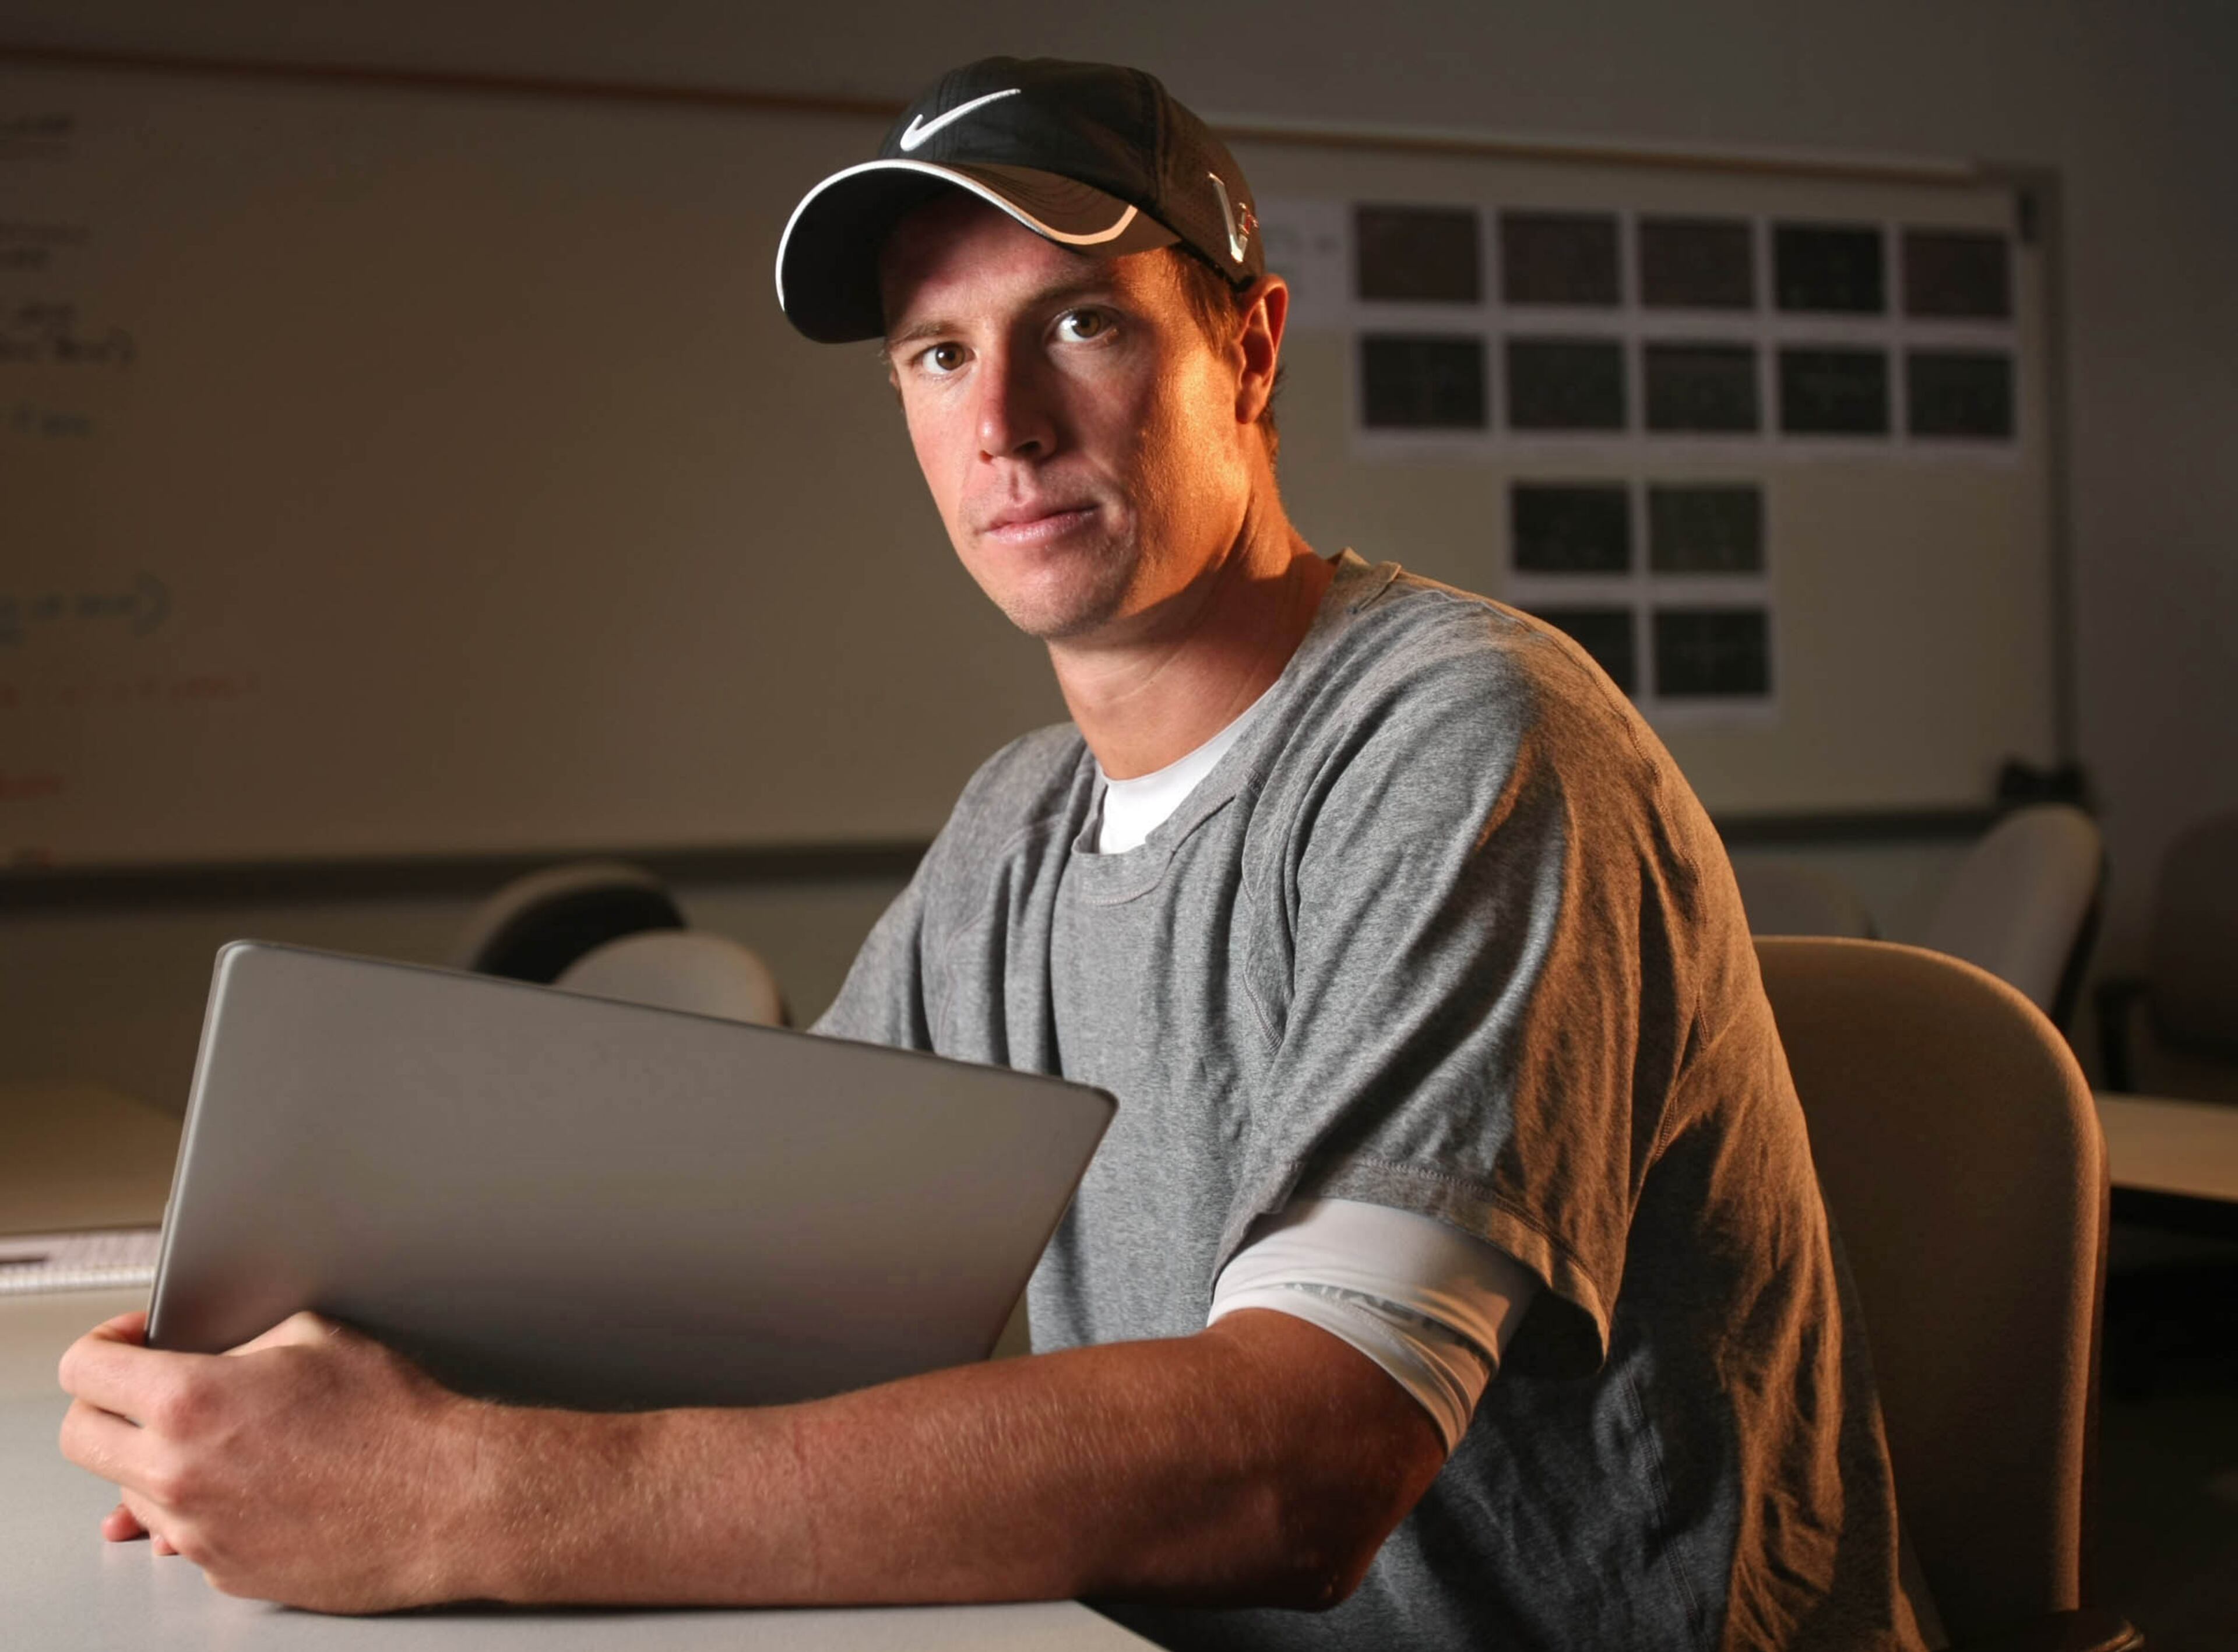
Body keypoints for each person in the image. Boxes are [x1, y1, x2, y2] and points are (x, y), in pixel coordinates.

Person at [59, 57, 1927, 1651]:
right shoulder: (1014, 828)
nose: (1004, 424)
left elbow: (1305, 1464)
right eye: (939, 353)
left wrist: (468, 1496)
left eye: (1083, 323)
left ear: (1251, 346)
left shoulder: (1465, 739)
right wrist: (326, 1386)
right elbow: (757, 1289)